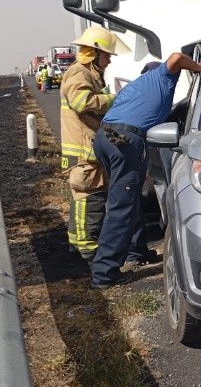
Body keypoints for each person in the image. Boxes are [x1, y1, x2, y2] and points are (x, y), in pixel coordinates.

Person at [91, 53, 201, 289]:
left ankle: (137, 251)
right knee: (121, 207)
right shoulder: (163, 76)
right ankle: (104, 274)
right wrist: (199, 66)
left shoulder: (135, 87)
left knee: (128, 197)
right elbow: (176, 58)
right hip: (125, 141)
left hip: (105, 138)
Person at [60, 26, 128, 264]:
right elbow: (82, 102)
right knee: (92, 199)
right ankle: (89, 252)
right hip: (83, 152)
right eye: (106, 55)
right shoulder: (79, 73)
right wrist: (114, 99)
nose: (109, 60)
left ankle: (77, 248)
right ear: (94, 53)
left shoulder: (89, 73)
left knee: (83, 199)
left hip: (86, 151)